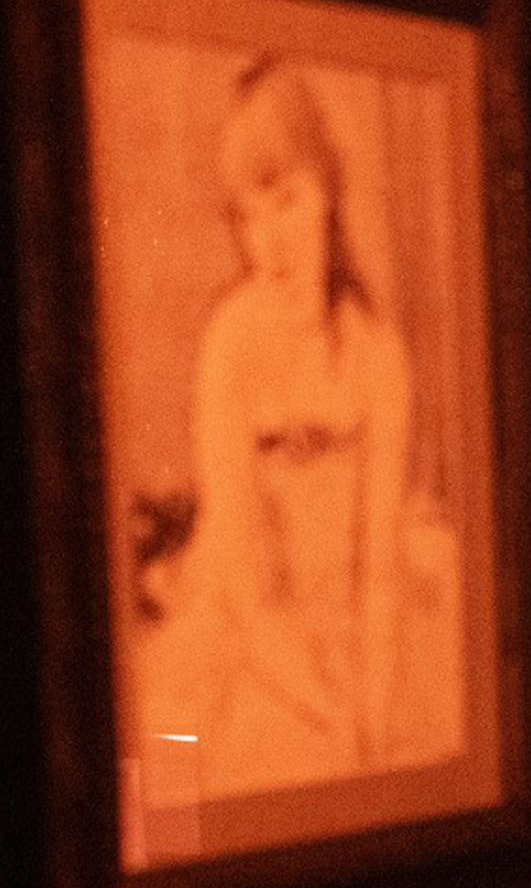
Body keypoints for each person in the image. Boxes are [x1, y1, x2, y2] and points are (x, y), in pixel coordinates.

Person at [149, 58, 456, 814]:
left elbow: (379, 570)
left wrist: (372, 712)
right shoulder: (230, 345)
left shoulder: (377, 352)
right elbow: (251, 590)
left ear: (327, 194)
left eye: (285, 202)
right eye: (247, 216)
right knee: (173, 790)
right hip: (247, 626)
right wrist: (325, 708)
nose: (268, 243)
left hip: (355, 622)